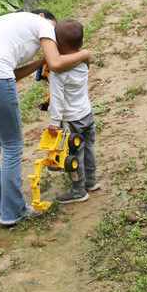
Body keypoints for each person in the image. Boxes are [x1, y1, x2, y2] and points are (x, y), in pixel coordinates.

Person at [0, 10, 88, 227]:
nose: (53, 39)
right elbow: (55, 64)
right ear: (47, 18)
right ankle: (12, 212)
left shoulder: (6, 22)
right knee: (12, 146)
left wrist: (38, 63)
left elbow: (13, 75)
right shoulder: (44, 24)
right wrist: (85, 54)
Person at [45, 39, 99, 204]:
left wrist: (54, 122)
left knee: (73, 156)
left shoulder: (58, 74)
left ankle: (78, 190)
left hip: (72, 120)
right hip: (87, 115)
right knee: (89, 148)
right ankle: (91, 181)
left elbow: (57, 99)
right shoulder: (83, 65)